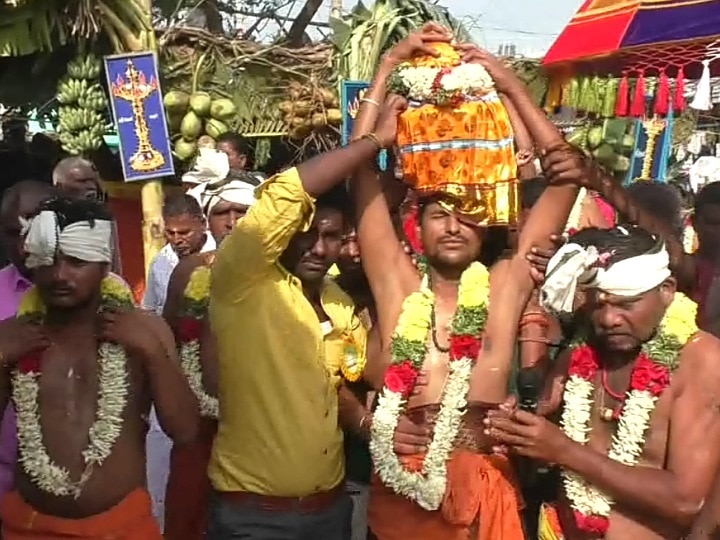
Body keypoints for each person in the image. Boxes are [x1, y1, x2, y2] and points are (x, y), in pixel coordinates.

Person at [350, 28, 589, 539]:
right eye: (440, 214)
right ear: (419, 224)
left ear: (488, 223)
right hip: (403, 499)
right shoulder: (396, 283)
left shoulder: (506, 284)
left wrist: (509, 86)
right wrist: (389, 64)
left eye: (468, 214)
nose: (454, 226)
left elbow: (568, 176)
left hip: (486, 497)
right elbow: (360, 175)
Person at [205, 122, 410, 536]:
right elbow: (286, 193)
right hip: (253, 515)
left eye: (331, 236)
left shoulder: (340, 303)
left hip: (328, 511)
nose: (318, 247)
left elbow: (366, 373)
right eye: (306, 234)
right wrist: (373, 141)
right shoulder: (242, 278)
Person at [487, 225, 720, 540]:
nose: (609, 319)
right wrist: (518, 429)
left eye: (626, 304)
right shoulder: (583, 351)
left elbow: (685, 500)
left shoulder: (701, 360)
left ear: (666, 290)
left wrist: (563, 449)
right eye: (599, 304)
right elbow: (540, 448)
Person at [0, 196, 200, 539]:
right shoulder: (12, 335)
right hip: (27, 526)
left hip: (122, 526)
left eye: (77, 262)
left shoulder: (146, 332)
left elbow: (186, 432)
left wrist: (152, 353)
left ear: (104, 263)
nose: (60, 275)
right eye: (48, 262)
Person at [161, 152, 260, 540]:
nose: (233, 222)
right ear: (209, 219)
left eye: (241, 211)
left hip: (258, 425)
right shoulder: (189, 271)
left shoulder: (276, 271)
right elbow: (168, 341)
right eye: (223, 213)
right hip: (201, 427)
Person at [0, 180, 55, 527]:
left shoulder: (109, 296)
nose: (23, 247)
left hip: (85, 494)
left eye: (32, 230)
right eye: (10, 233)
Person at [142, 194, 215, 315]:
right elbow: (149, 309)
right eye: (170, 233)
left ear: (203, 224)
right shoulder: (160, 262)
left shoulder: (222, 255)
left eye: (184, 233)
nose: (177, 240)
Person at [52, 157, 123, 274]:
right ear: (59, 186)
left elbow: (114, 266)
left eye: (93, 181)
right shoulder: (47, 220)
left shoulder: (104, 218)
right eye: (82, 181)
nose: (91, 187)